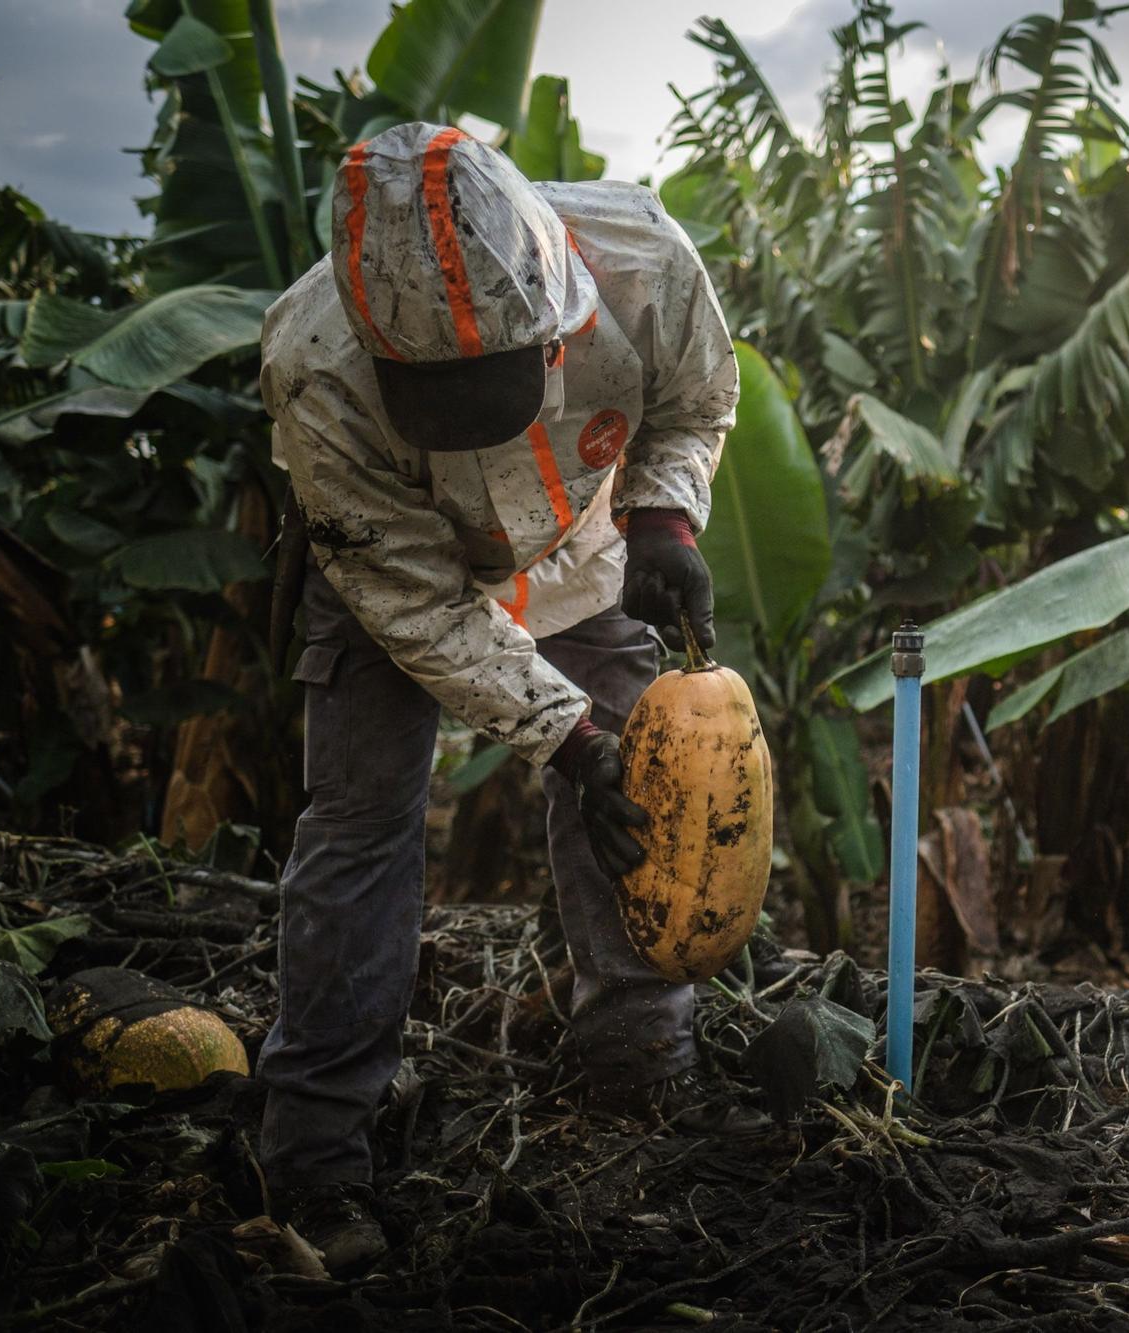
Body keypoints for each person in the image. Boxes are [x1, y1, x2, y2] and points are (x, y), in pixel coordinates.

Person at [254, 121, 740, 1273]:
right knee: (363, 823)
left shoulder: (641, 258)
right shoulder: (313, 362)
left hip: (581, 546)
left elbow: (693, 398)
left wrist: (663, 515)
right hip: (394, 572)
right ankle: (316, 1155)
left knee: (646, 784)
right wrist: (562, 736)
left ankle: (638, 1076)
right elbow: (420, 608)